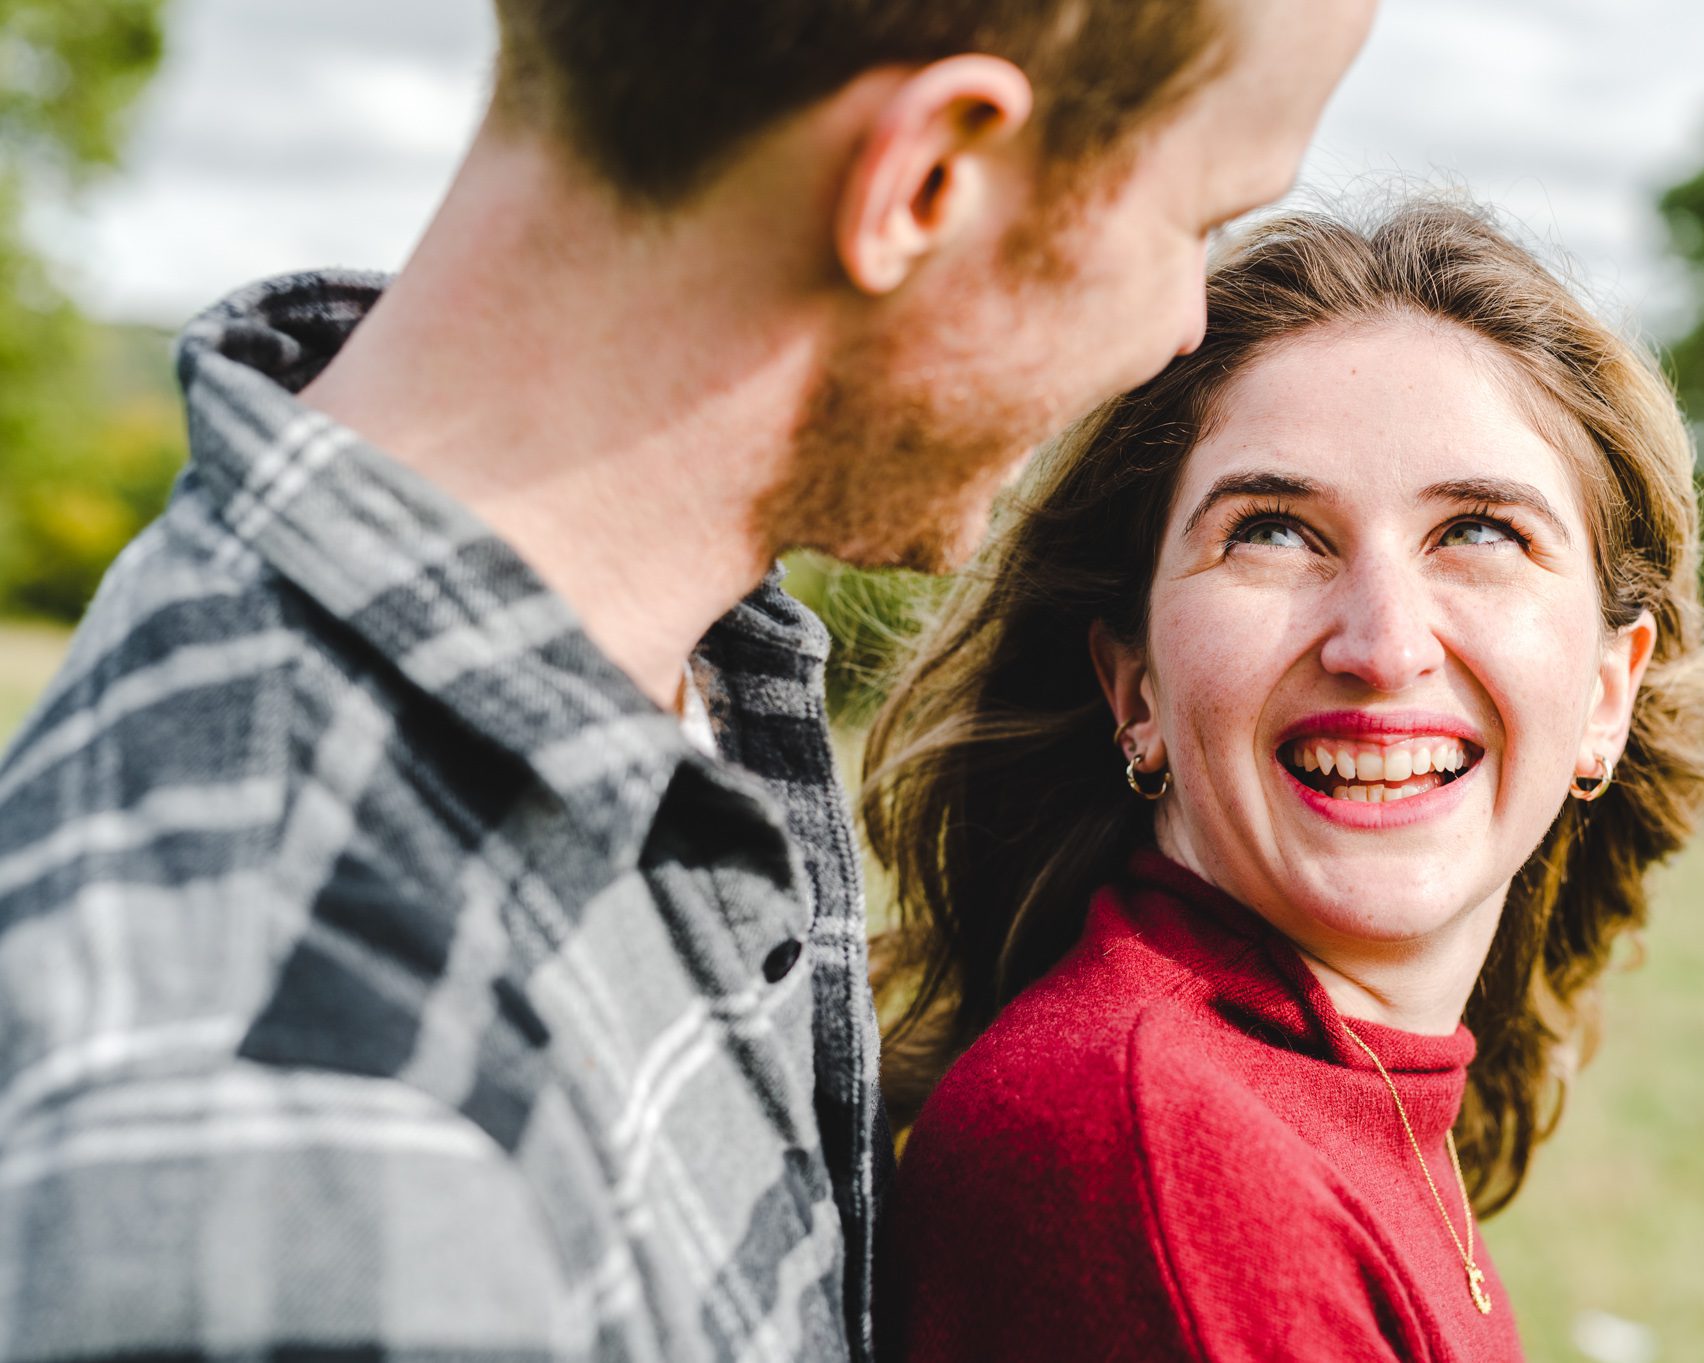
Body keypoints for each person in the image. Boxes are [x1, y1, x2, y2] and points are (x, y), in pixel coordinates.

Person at [0, 2, 1382, 1359]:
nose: (1180, 331)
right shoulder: (314, 1165)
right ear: (927, 181)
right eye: (1193, 221)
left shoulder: (667, 681)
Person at [866, 204, 1704, 1360]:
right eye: (1271, 531)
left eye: (1478, 532)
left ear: (1603, 695)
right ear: (1132, 688)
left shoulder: (1335, 1084)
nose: (1380, 646)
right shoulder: (1163, 1157)